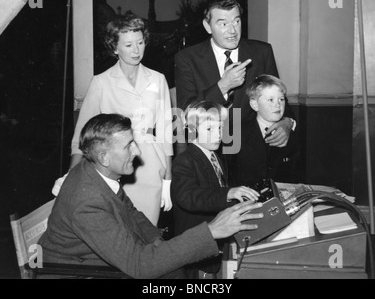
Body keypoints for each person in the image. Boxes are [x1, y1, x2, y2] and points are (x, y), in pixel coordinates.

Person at [38, 113, 263, 279]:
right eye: (129, 146)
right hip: (77, 272)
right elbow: (139, 265)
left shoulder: (97, 171)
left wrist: (158, 244)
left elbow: (132, 215)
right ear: (104, 157)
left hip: (94, 262)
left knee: (173, 268)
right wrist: (211, 230)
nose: (137, 151)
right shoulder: (87, 201)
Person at [59, 14, 174, 226]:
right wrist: (70, 175)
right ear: (114, 48)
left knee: (147, 235)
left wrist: (168, 179)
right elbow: (82, 135)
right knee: (118, 233)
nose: (136, 50)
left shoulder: (158, 79)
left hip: (150, 167)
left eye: (140, 43)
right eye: (129, 44)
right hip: (114, 166)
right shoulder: (101, 82)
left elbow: (166, 133)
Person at [174, 0, 295, 154]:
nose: (232, 30)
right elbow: (187, 112)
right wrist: (223, 86)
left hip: (253, 150)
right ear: (208, 26)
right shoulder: (187, 59)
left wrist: (287, 121)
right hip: (208, 150)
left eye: (236, 21)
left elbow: (277, 96)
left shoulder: (261, 52)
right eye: (223, 23)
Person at [171, 100, 260, 279]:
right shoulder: (185, 160)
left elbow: (220, 187)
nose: (218, 135)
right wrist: (227, 193)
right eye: (210, 129)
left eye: (220, 128)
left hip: (214, 241)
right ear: (192, 130)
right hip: (196, 241)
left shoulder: (216, 156)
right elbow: (188, 197)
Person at [229, 75, 302, 187]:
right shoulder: (236, 133)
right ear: (255, 104)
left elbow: (295, 177)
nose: (278, 104)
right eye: (271, 100)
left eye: (281, 99)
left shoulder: (291, 134)